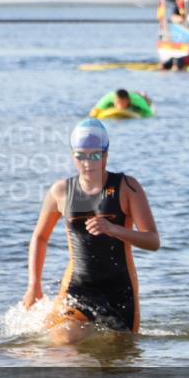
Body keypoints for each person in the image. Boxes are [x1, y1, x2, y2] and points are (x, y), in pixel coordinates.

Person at [22, 119, 160, 344]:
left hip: (120, 290)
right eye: (81, 156)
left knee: (120, 355)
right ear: (73, 156)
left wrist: (113, 229)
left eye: (95, 155)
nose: (87, 163)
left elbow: (152, 241)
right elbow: (40, 237)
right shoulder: (61, 191)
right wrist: (34, 285)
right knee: (64, 340)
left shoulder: (127, 187)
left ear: (106, 155)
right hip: (78, 287)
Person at [89, 89, 154, 118]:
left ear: (128, 101)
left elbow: (149, 113)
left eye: (123, 102)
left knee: (146, 99)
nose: (120, 105)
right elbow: (94, 111)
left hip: (136, 96)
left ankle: (142, 93)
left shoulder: (137, 101)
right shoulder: (107, 99)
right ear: (114, 101)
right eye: (118, 102)